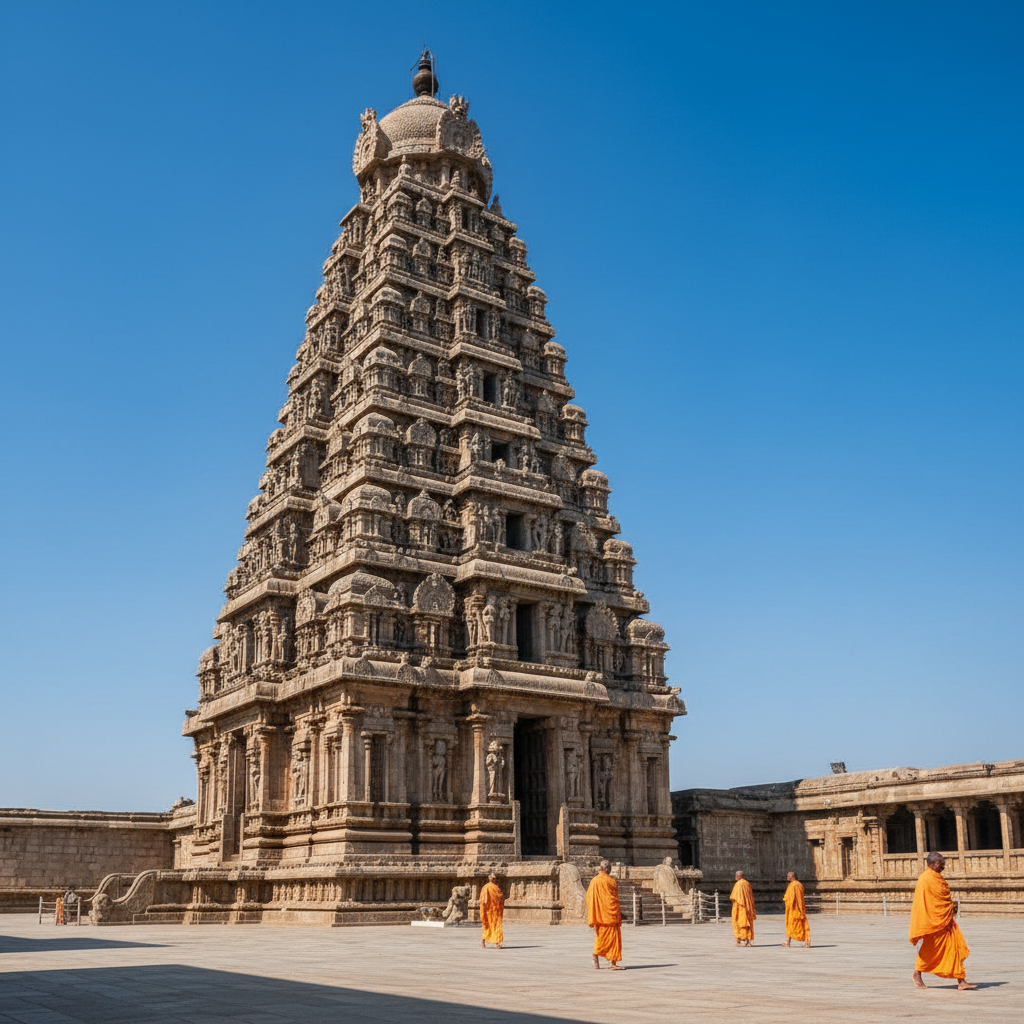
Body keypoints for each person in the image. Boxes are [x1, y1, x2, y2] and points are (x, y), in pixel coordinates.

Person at [910, 852, 976, 991]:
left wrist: (949, 907)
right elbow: (922, 904)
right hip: (934, 923)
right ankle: (917, 973)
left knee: (956, 948)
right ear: (931, 864)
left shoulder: (938, 878)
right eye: (941, 864)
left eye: (943, 863)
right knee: (930, 949)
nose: (943, 867)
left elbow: (943, 899)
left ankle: (961, 981)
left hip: (947, 922)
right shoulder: (925, 879)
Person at [586, 860, 623, 970]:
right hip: (607, 915)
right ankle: (604, 959)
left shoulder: (596, 881)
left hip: (604, 915)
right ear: (607, 869)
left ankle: (605, 960)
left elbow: (589, 898)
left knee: (605, 938)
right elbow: (615, 899)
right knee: (608, 938)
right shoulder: (610, 881)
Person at [782, 871, 810, 947]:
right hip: (800, 908)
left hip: (793, 909)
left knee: (790, 924)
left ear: (791, 876)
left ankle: (787, 942)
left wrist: (786, 903)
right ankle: (806, 942)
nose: (787, 877)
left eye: (788, 876)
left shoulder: (792, 885)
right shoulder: (799, 884)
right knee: (802, 925)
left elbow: (790, 898)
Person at [729, 870, 755, 946]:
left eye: (736, 875)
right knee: (747, 923)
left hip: (739, 908)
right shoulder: (747, 884)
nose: (735, 877)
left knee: (739, 922)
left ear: (738, 876)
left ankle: (739, 940)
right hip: (747, 907)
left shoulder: (738, 884)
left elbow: (734, 897)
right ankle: (748, 940)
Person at [480, 873, 505, 949]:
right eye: (492, 878)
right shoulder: (486, 887)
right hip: (489, 911)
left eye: (494, 878)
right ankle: (483, 942)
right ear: (489, 879)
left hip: (496, 911)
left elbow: (501, 897)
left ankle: (497, 943)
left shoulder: (496, 888)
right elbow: (483, 900)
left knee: (496, 926)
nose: (493, 879)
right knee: (487, 926)